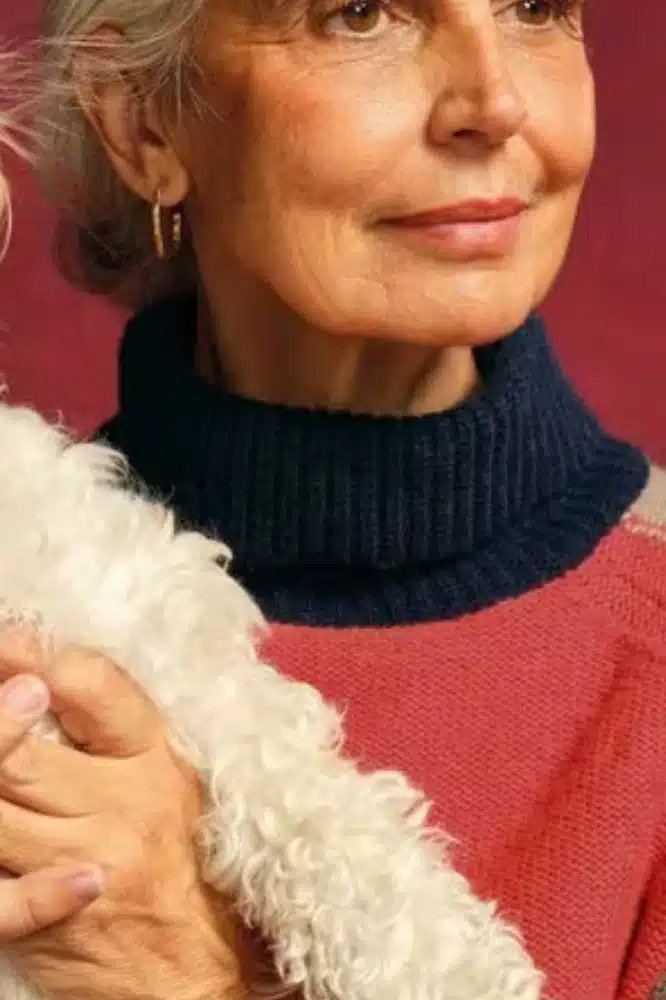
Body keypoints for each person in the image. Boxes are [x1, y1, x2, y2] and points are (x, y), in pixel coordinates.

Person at [17, 0, 666, 997]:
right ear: (140, 119)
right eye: (359, 13)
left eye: (538, 8)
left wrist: (198, 976)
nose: (494, 103)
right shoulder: (30, 614)